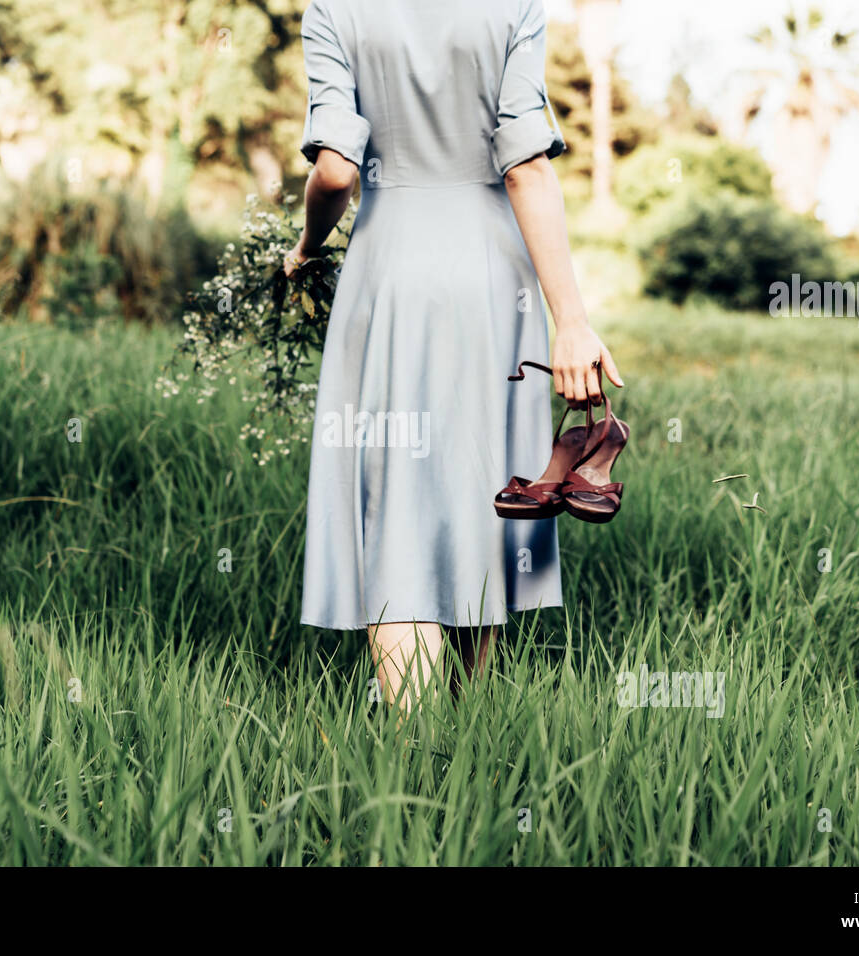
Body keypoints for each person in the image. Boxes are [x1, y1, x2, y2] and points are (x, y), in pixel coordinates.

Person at [286, 0, 624, 709]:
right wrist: (571, 320)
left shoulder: (332, 11)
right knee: (485, 494)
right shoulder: (517, 7)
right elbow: (526, 169)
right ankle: (471, 749)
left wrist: (307, 247)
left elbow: (337, 172)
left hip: (390, 276)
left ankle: (415, 760)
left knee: (397, 510)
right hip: (494, 280)